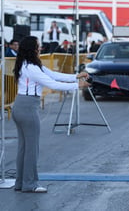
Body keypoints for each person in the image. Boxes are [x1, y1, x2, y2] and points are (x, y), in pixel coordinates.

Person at [11, 36, 90, 193]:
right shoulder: (32, 68)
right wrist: (77, 85)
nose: (40, 49)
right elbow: (52, 83)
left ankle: (21, 182)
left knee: (23, 147)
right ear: (32, 49)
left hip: (20, 106)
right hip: (27, 108)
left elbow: (54, 75)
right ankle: (30, 184)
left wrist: (76, 76)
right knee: (31, 148)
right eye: (38, 46)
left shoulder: (27, 64)